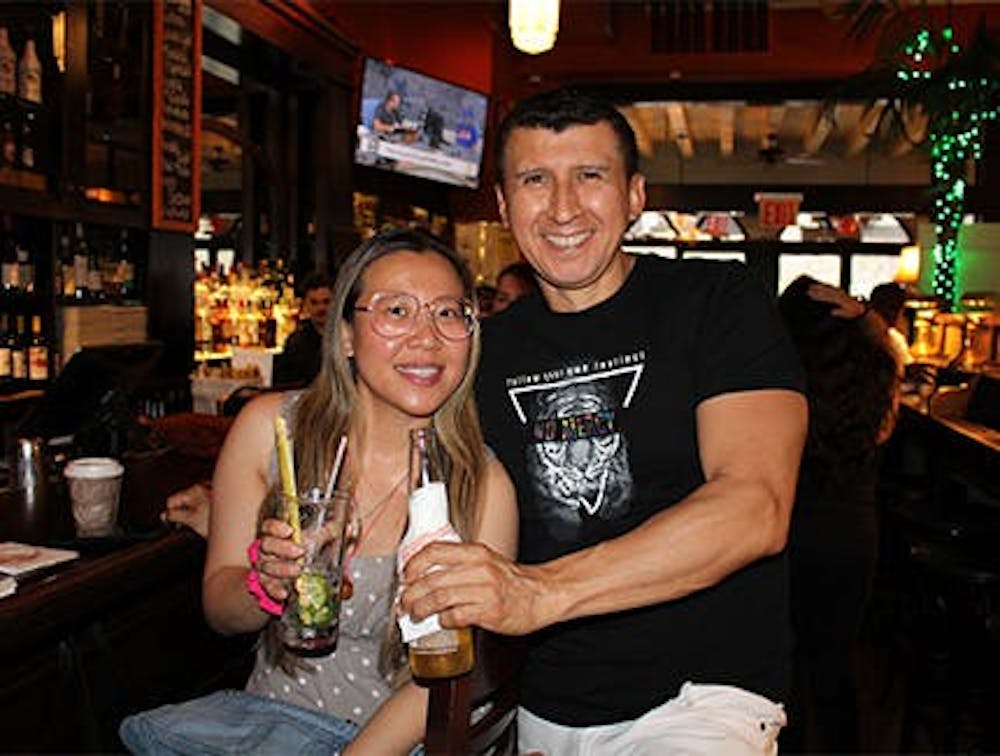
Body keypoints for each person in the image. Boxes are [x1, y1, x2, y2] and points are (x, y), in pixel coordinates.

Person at [400, 87, 808, 754]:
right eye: (536, 180)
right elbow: (389, 438)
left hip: (699, 702)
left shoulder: (716, 303)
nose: (563, 207)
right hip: (539, 702)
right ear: (505, 205)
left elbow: (755, 506)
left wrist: (538, 592)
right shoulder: (482, 351)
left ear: (635, 196)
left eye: (590, 176)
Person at [120, 228, 517, 755]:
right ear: (346, 334)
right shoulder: (271, 431)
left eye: (448, 313)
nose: (427, 337)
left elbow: (443, 679)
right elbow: (220, 610)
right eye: (397, 311)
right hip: (269, 725)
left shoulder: (484, 486)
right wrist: (266, 582)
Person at [777, 276, 899, 753]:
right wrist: (869, 318)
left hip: (786, 536)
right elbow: (893, 359)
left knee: (785, 668)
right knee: (835, 664)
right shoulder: (874, 378)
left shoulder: (778, 380)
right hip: (852, 540)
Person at [273, 272, 332, 387]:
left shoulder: (349, 337)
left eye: (326, 302)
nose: (321, 308)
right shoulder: (296, 343)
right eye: (314, 302)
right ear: (305, 305)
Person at [869, 281, 914, 375]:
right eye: (890, 307)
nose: (892, 314)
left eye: (896, 308)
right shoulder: (862, 336)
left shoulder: (896, 338)